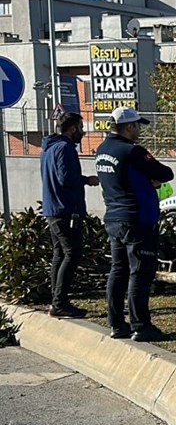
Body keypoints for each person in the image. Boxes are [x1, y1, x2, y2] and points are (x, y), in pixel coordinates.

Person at [95, 107, 174, 341]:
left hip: (114, 217)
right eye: (137, 125)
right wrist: (153, 180)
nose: (139, 130)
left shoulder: (103, 149)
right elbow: (165, 172)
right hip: (137, 219)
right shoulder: (133, 151)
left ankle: (117, 324)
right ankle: (141, 325)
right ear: (129, 127)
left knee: (118, 271)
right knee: (140, 272)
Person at [40, 112, 99, 318]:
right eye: (81, 128)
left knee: (60, 254)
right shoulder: (65, 148)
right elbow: (66, 178)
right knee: (72, 253)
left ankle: (56, 300)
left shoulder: (49, 148)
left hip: (52, 208)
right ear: (73, 128)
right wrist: (86, 180)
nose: (82, 132)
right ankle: (60, 303)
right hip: (65, 210)